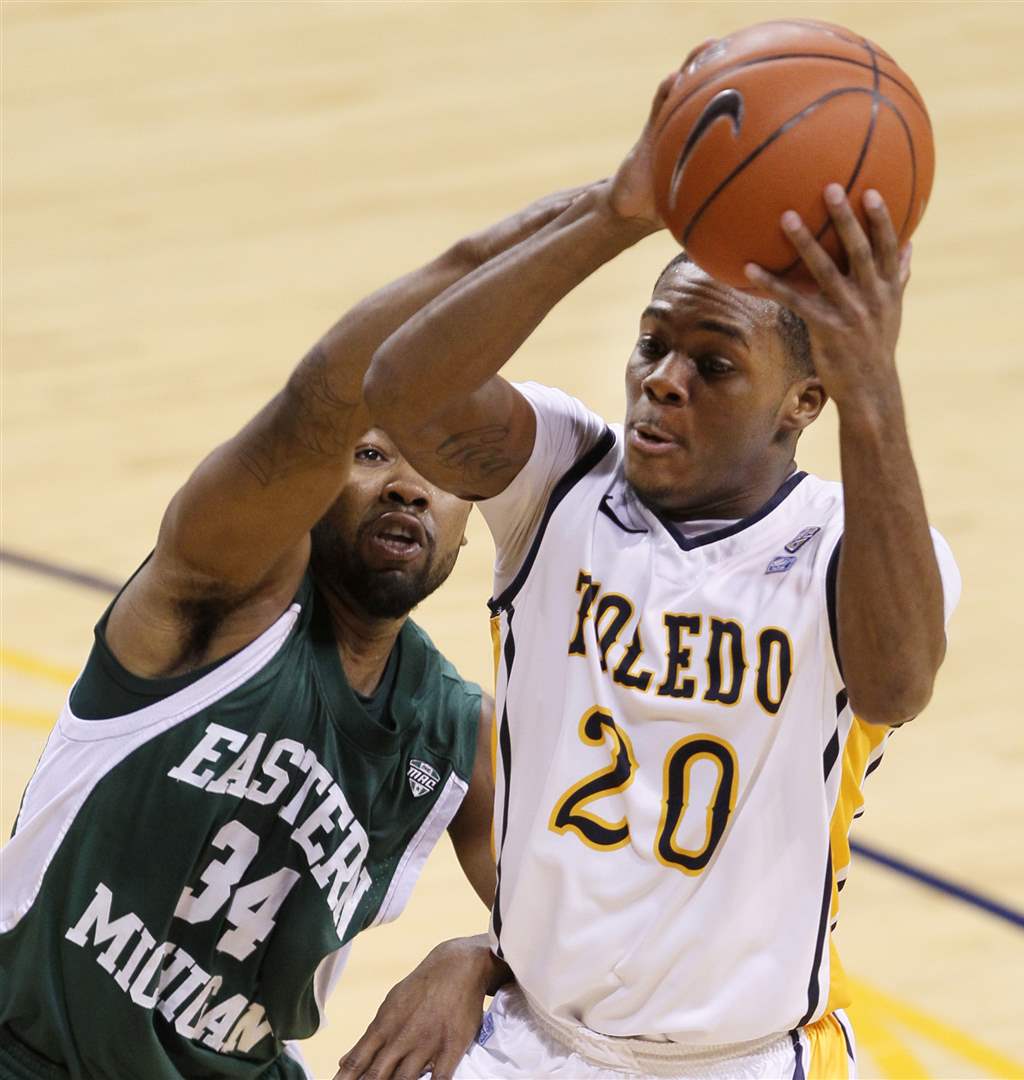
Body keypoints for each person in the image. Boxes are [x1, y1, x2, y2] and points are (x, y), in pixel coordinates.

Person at [352, 49, 962, 1080]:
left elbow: (897, 684)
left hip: (746, 1059)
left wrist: (876, 390)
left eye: (712, 364)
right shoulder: (562, 477)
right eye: (651, 345)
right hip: (531, 1042)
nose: (661, 382)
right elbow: (402, 389)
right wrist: (618, 212)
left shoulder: (859, 546)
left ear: (803, 403)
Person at [0, 190, 597, 1079]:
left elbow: (595, 947)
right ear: (319, 477)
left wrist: (475, 955)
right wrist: (607, 213)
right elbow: (324, 390)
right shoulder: (220, 590)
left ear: (473, 518)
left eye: (435, 469)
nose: (405, 485)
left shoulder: (453, 736)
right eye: (370, 455)